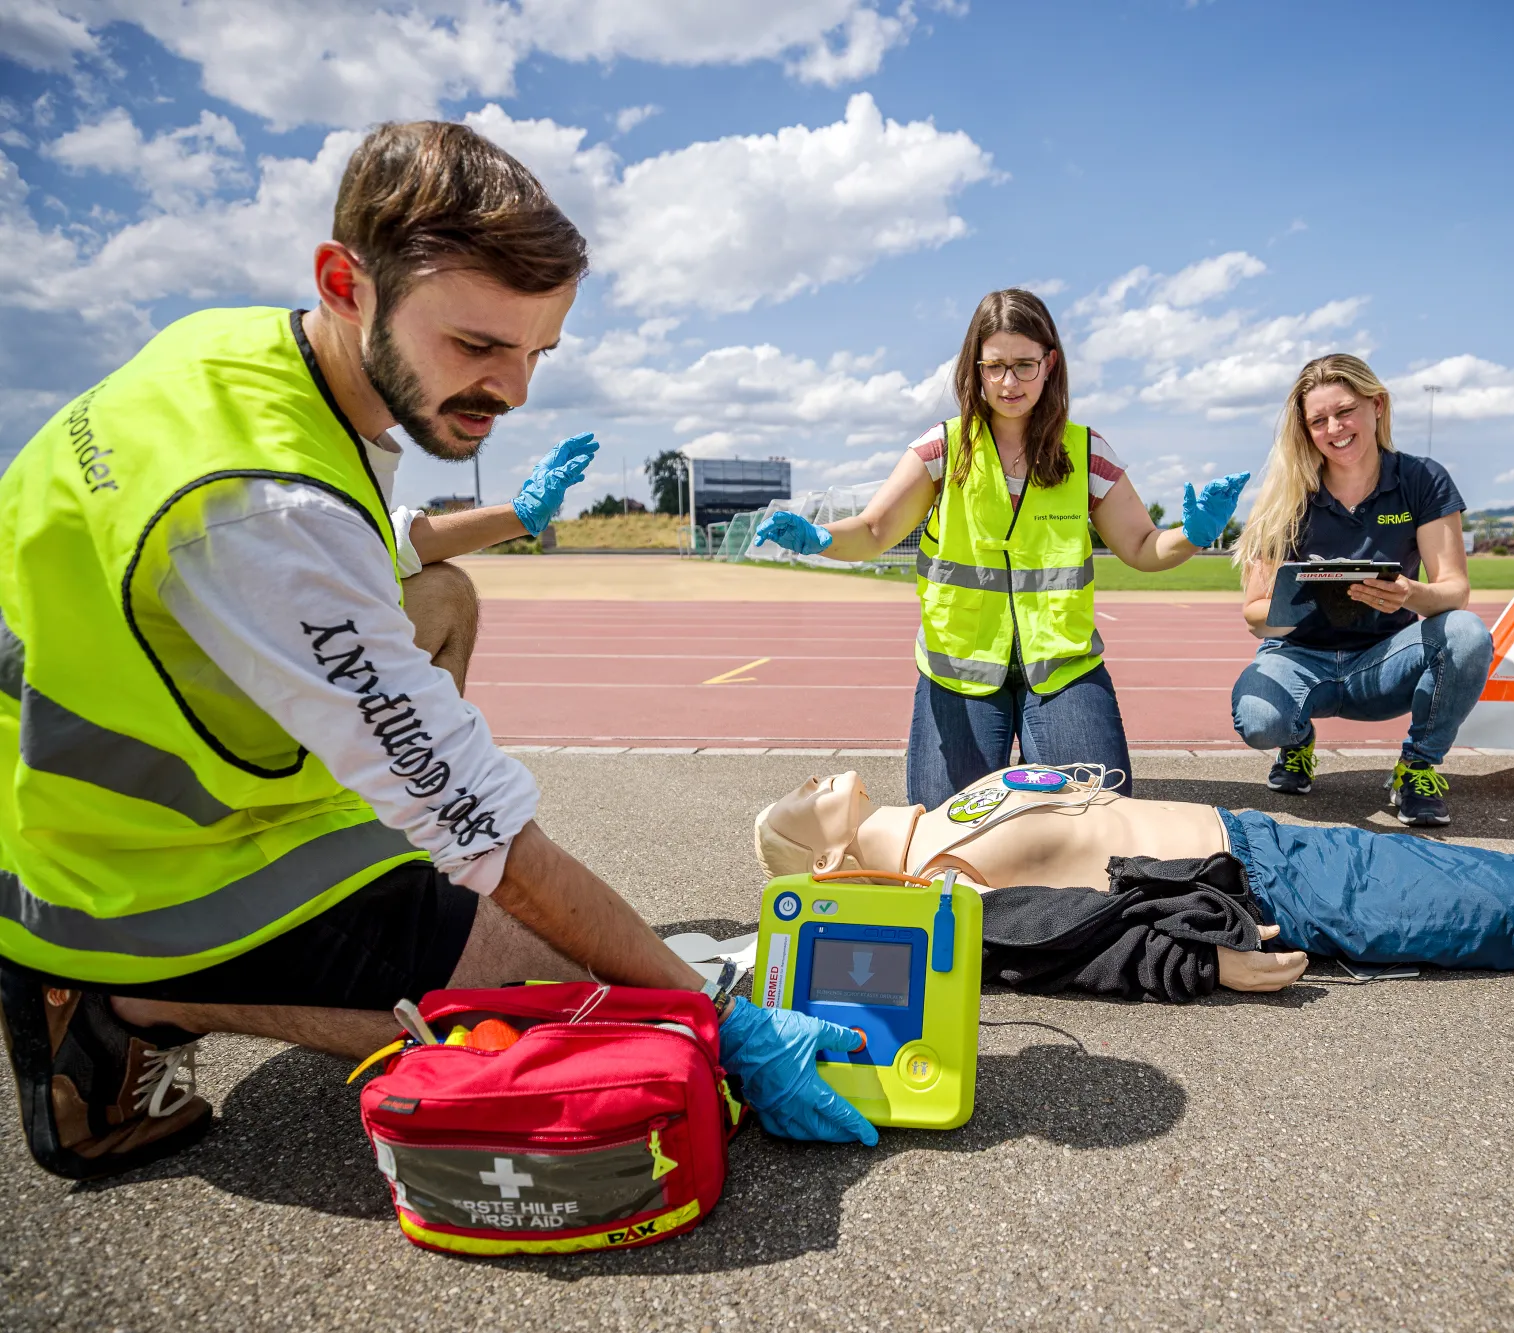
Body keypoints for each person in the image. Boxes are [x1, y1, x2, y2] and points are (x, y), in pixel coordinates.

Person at [0, 121, 874, 1182]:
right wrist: (710, 1019)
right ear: (346, 282)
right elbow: (490, 834)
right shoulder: (256, 509)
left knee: (441, 596)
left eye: (535, 351)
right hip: (115, 864)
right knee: (593, 1014)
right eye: (476, 347)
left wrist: (514, 510)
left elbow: (360, 550)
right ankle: (109, 993)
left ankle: (352, 891)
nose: (513, 391)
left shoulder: (244, 362)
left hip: (91, 785)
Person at [752, 288, 1250, 809]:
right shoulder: (944, 448)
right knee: (947, 827)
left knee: (1098, 815)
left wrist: (1191, 535)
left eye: (1024, 365)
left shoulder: (1085, 451)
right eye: (995, 367)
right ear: (976, 368)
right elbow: (876, 529)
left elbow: (1144, 546)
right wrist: (821, 538)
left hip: (1062, 670)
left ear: (1050, 362)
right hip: (960, 671)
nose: (1009, 382)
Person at [754, 768, 1514, 988]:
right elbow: (1076, 943)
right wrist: (1207, 964)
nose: (812, 779)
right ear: (831, 862)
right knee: (1503, 913)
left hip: (1261, 832)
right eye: (798, 806)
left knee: (1484, 868)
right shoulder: (942, 893)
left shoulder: (946, 807)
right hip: (1280, 894)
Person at [1232, 354, 1494, 826]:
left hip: (1383, 662)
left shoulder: (1421, 479)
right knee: (1258, 719)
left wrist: (1409, 593)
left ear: (1377, 406)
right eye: (1318, 420)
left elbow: (1454, 590)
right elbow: (1254, 614)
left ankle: (1417, 768)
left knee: (1467, 632)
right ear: (1305, 430)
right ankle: (1295, 743)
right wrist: (1296, 604)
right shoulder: (1285, 494)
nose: (1335, 427)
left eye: (1345, 411)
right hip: (1298, 655)